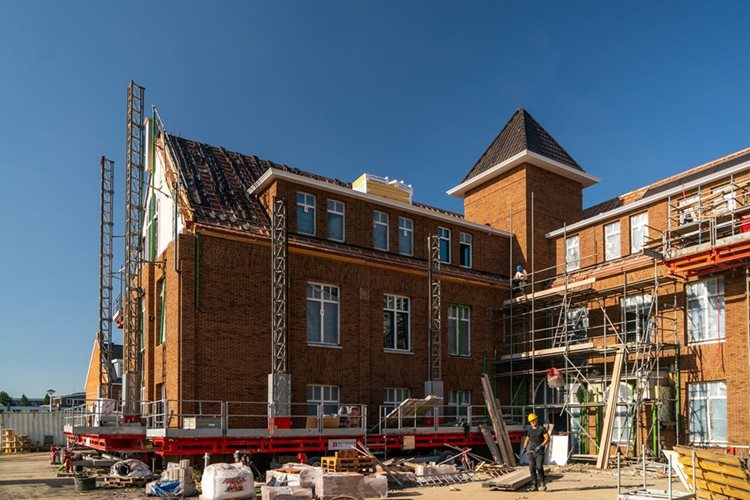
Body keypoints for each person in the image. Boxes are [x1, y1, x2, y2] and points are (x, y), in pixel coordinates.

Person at [522, 412, 549, 491]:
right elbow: (527, 439)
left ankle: (543, 483)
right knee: (531, 468)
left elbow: (547, 438)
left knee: (539, 467)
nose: (532, 422)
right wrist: (524, 447)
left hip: (539, 452)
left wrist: (541, 446)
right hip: (531, 451)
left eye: (534, 420)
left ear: (536, 420)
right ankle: (534, 486)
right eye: (531, 421)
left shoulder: (541, 429)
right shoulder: (530, 430)